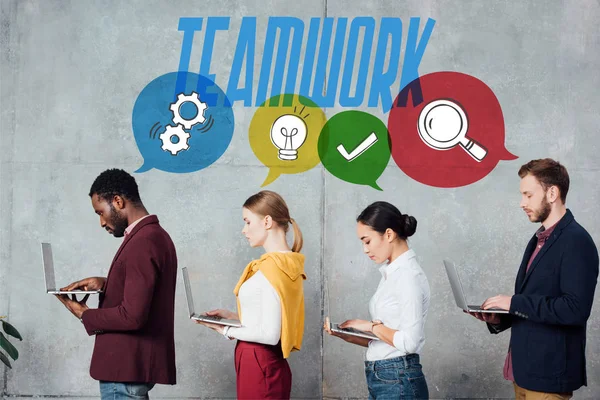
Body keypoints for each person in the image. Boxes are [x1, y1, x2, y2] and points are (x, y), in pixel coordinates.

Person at [469, 158, 599, 399]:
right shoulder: (539, 239)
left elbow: (575, 309)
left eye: (528, 195)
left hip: (548, 378)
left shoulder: (576, 241)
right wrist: (500, 318)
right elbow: (537, 302)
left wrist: (514, 303)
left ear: (552, 193)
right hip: (524, 373)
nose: (522, 203)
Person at [55, 169, 178, 399]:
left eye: (100, 212)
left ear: (118, 201)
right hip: (131, 369)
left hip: (124, 370)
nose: (101, 222)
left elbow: (133, 316)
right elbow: (147, 290)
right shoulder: (154, 235)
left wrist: (84, 314)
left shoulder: (143, 241)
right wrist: (105, 284)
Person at [197, 190, 306, 399]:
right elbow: (273, 319)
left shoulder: (274, 268)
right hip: (259, 363)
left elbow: (270, 335)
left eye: (247, 222)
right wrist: (234, 318)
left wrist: (225, 328)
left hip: (260, 363)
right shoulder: (285, 264)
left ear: (267, 221)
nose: (243, 229)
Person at [324, 201, 430, 399]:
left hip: (398, 379)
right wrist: (348, 335)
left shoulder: (408, 276)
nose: (365, 249)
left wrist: (370, 326)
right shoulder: (392, 274)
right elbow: (389, 340)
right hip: (385, 376)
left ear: (389, 234)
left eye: (367, 241)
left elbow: (410, 342)